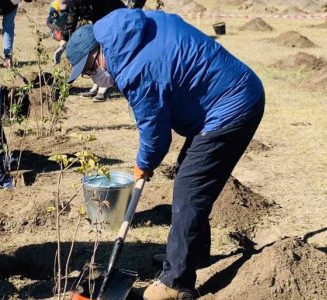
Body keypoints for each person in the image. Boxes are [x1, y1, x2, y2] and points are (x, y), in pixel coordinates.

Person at [66, 9, 265, 300]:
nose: (92, 77)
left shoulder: (136, 69)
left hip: (231, 105)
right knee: (189, 177)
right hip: (226, 95)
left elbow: (156, 134)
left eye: (88, 70)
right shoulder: (135, 28)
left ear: (98, 54)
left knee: (189, 188)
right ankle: (192, 255)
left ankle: (176, 282)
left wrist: (142, 164)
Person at [53, 0, 126, 101]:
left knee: (102, 54)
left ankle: (105, 86)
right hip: (100, 20)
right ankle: (97, 85)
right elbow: (72, 19)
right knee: (93, 58)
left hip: (116, 16)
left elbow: (104, 15)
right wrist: (64, 41)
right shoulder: (73, 2)